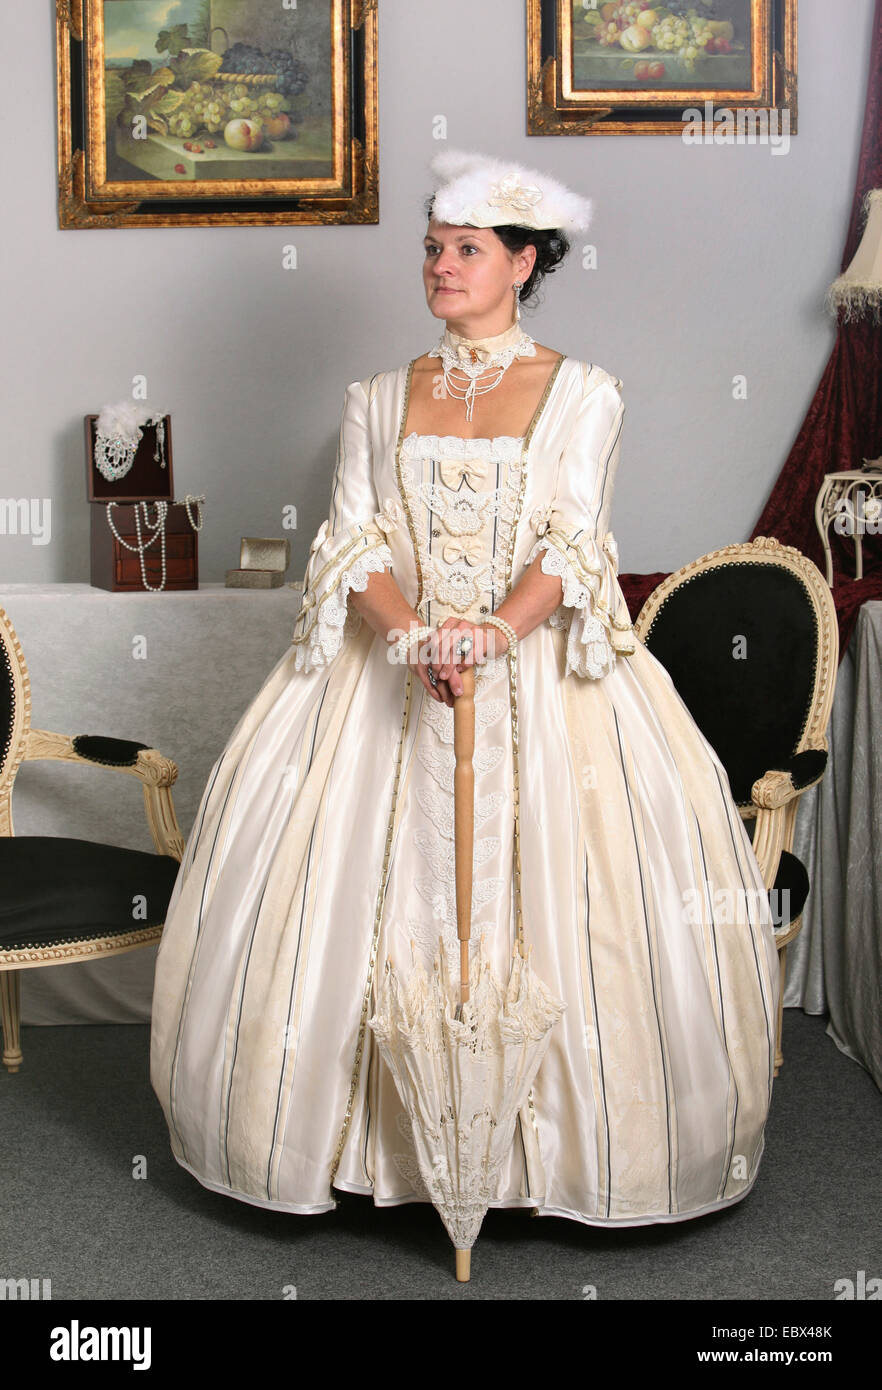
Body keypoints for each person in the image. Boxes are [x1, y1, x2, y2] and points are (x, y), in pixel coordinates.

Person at [150, 148, 780, 1229]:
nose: (441, 267)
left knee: (589, 914)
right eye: (433, 249)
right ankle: (356, 1150)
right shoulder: (377, 395)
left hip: (538, 673)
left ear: (525, 262)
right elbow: (350, 545)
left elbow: (576, 544)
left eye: (467, 250)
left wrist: (487, 634)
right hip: (384, 673)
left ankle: (553, 1162)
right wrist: (412, 640)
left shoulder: (586, 394)